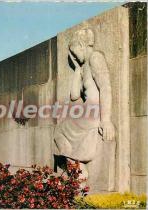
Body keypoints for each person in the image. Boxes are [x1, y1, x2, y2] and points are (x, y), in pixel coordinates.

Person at [54, 28, 115, 184]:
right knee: (59, 130)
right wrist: (77, 69)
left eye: (75, 53)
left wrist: (106, 120)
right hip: (87, 113)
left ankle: (78, 168)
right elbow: (74, 95)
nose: (74, 56)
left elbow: (106, 88)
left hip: (94, 113)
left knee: (60, 130)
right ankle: (78, 166)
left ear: (81, 45)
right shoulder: (84, 66)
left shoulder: (96, 57)